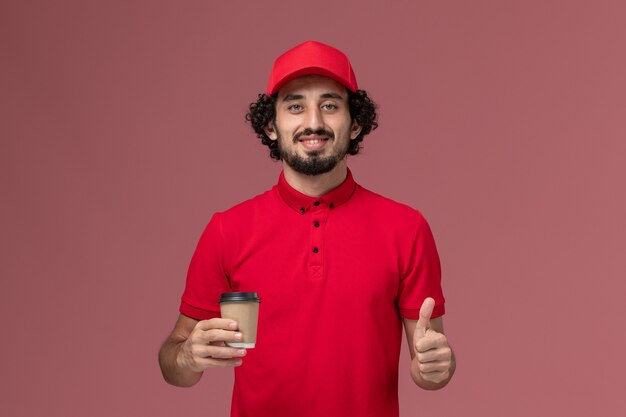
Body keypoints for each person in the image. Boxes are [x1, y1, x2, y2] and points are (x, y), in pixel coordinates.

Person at [159, 40, 456, 417]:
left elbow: (429, 369)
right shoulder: (227, 230)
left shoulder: (406, 228)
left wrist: (436, 366)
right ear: (271, 125)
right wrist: (187, 356)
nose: (313, 122)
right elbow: (174, 367)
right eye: (295, 106)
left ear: (356, 123)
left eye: (330, 106)